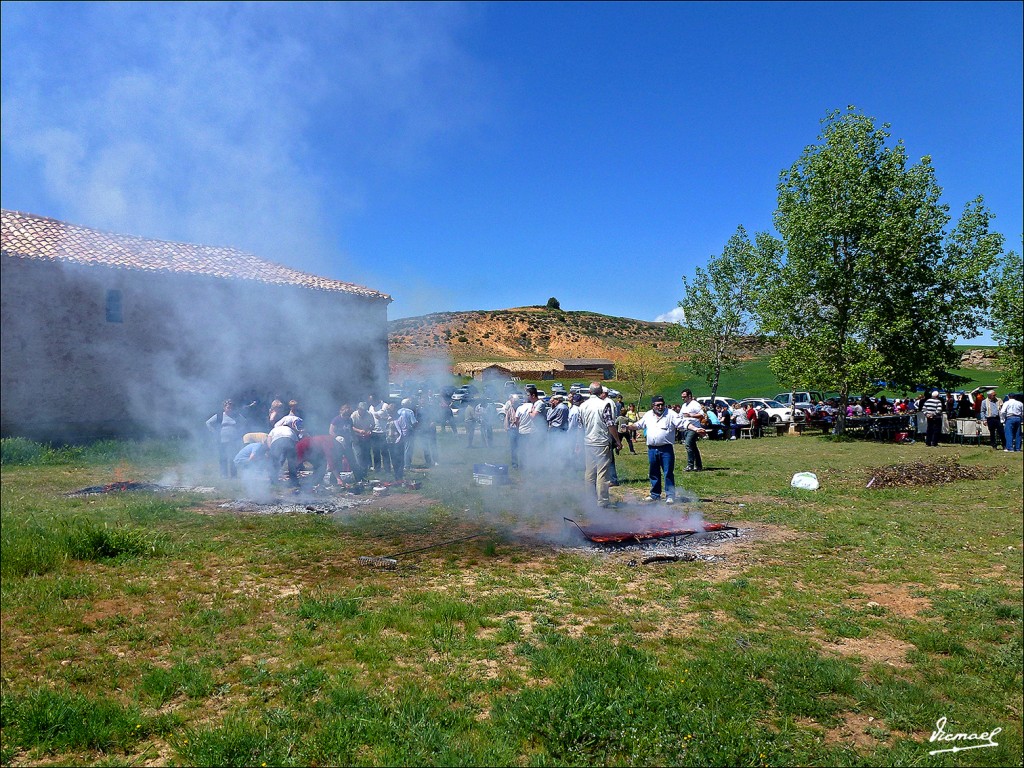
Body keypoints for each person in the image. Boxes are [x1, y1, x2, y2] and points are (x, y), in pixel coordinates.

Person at [631, 395, 683, 503]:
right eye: (658, 405)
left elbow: (682, 423)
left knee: (668, 472)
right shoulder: (648, 415)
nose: (660, 407)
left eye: (662, 404)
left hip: (666, 449)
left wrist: (695, 428)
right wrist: (628, 427)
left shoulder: (671, 414)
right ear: (652, 405)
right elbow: (639, 425)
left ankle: (670, 495)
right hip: (652, 449)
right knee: (653, 472)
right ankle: (655, 494)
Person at [578, 381, 621, 507]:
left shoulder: (582, 406)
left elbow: (580, 427)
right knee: (602, 473)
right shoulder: (604, 405)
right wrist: (617, 441)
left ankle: (590, 500)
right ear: (601, 392)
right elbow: (610, 424)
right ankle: (603, 501)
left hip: (588, 442)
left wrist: (578, 443)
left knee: (589, 473)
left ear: (589, 392)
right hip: (601, 442)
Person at [206, 399, 243, 478]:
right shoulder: (219, 415)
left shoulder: (236, 415)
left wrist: (240, 430)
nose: (230, 409)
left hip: (233, 440)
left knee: (233, 457)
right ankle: (224, 474)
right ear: (224, 408)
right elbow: (208, 423)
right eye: (228, 408)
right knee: (223, 457)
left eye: (231, 408)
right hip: (222, 440)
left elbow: (244, 421)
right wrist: (214, 431)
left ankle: (233, 475)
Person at [515, 386, 547, 471]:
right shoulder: (534, 404)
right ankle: (533, 467)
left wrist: (530, 411)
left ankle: (539, 468)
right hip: (535, 431)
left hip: (540, 432)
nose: (527, 396)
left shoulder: (539, 404)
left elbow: (533, 416)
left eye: (528, 395)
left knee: (538, 450)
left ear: (533, 395)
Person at [329, 404, 365, 482]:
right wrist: (337, 437)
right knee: (338, 462)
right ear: (341, 412)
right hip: (338, 444)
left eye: (348, 415)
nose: (346, 416)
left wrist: (354, 438)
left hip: (348, 444)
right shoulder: (336, 419)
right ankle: (334, 480)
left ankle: (359, 478)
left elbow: (351, 429)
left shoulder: (349, 420)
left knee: (352, 461)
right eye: (345, 415)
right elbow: (331, 431)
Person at [267, 417, 302, 490]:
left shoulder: (274, 429)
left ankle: (273, 481)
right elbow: (296, 443)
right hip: (290, 440)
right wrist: (294, 455)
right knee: (292, 463)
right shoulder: (291, 430)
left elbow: (269, 438)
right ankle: (294, 482)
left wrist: (271, 449)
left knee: (275, 461)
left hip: (277, 441)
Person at [679, 389, 708, 471]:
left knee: (688, 444)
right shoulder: (684, 405)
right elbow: (680, 415)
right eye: (682, 397)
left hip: (695, 428)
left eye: (684, 396)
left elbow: (702, 414)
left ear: (689, 396)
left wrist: (691, 415)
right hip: (686, 427)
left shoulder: (695, 404)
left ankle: (690, 465)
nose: (683, 398)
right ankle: (698, 466)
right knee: (693, 446)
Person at [350, 402, 375, 475]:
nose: (363, 412)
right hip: (356, 437)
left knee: (366, 453)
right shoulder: (354, 415)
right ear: (358, 409)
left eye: (364, 410)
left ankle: (365, 469)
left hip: (366, 437)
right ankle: (359, 470)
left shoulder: (369, 414)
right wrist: (359, 431)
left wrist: (369, 430)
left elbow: (373, 424)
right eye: (362, 410)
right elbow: (351, 426)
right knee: (358, 454)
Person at [503, 394, 522, 469]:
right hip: (512, 430)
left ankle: (522, 462)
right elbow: (506, 419)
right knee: (513, 447)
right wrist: (507, 428)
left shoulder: (521, 408)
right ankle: (514, 463)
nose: (513, 403)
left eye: (514, 402)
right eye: (512, 402)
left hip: (520, 430)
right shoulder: (510, 409)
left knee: (521, 446)